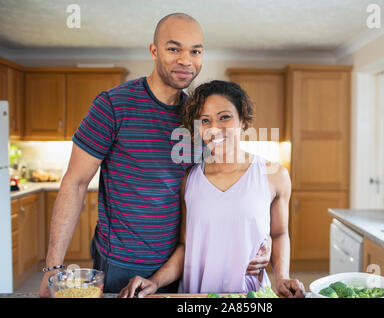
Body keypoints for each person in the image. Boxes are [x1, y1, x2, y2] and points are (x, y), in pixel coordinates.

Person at [38, 13, 270, 297]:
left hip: (179, 264)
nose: (186, 59)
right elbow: (74, 184)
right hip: (119, 264)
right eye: (174, 49)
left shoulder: (199, 119)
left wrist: (263, 239)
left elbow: (220, 194)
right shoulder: (113, 105)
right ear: (154, 50)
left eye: (195, 51)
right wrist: (52, 269)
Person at [118, 80, 305, 298]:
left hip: (249, 297)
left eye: (224, 117)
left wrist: (282, 276)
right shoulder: (189, 180)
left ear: (242, 120)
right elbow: (186, 247)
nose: (214, 128)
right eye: (205, 120)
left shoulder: (274, 175)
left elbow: (280, 233)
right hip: (195, 297)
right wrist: (154, 282)